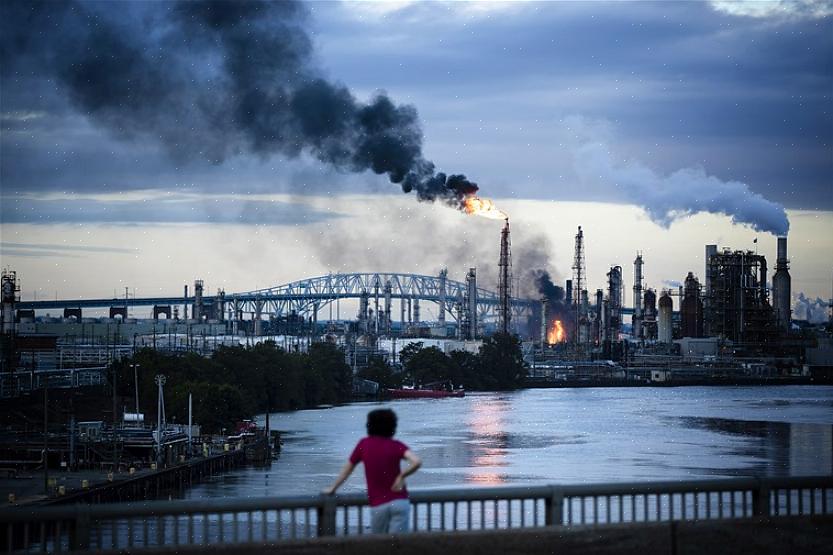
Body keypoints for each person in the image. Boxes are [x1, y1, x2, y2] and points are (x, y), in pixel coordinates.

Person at [323, 408, 421, 534]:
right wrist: (401, 476)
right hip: (400, 502)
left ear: (370, 426)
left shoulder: (364, 444)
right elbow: (416, 461)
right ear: (392, 426)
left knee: (380, 546)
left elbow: (347, 470)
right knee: (398, 546)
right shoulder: (396, 445)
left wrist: (333, 488)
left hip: (379, 505)